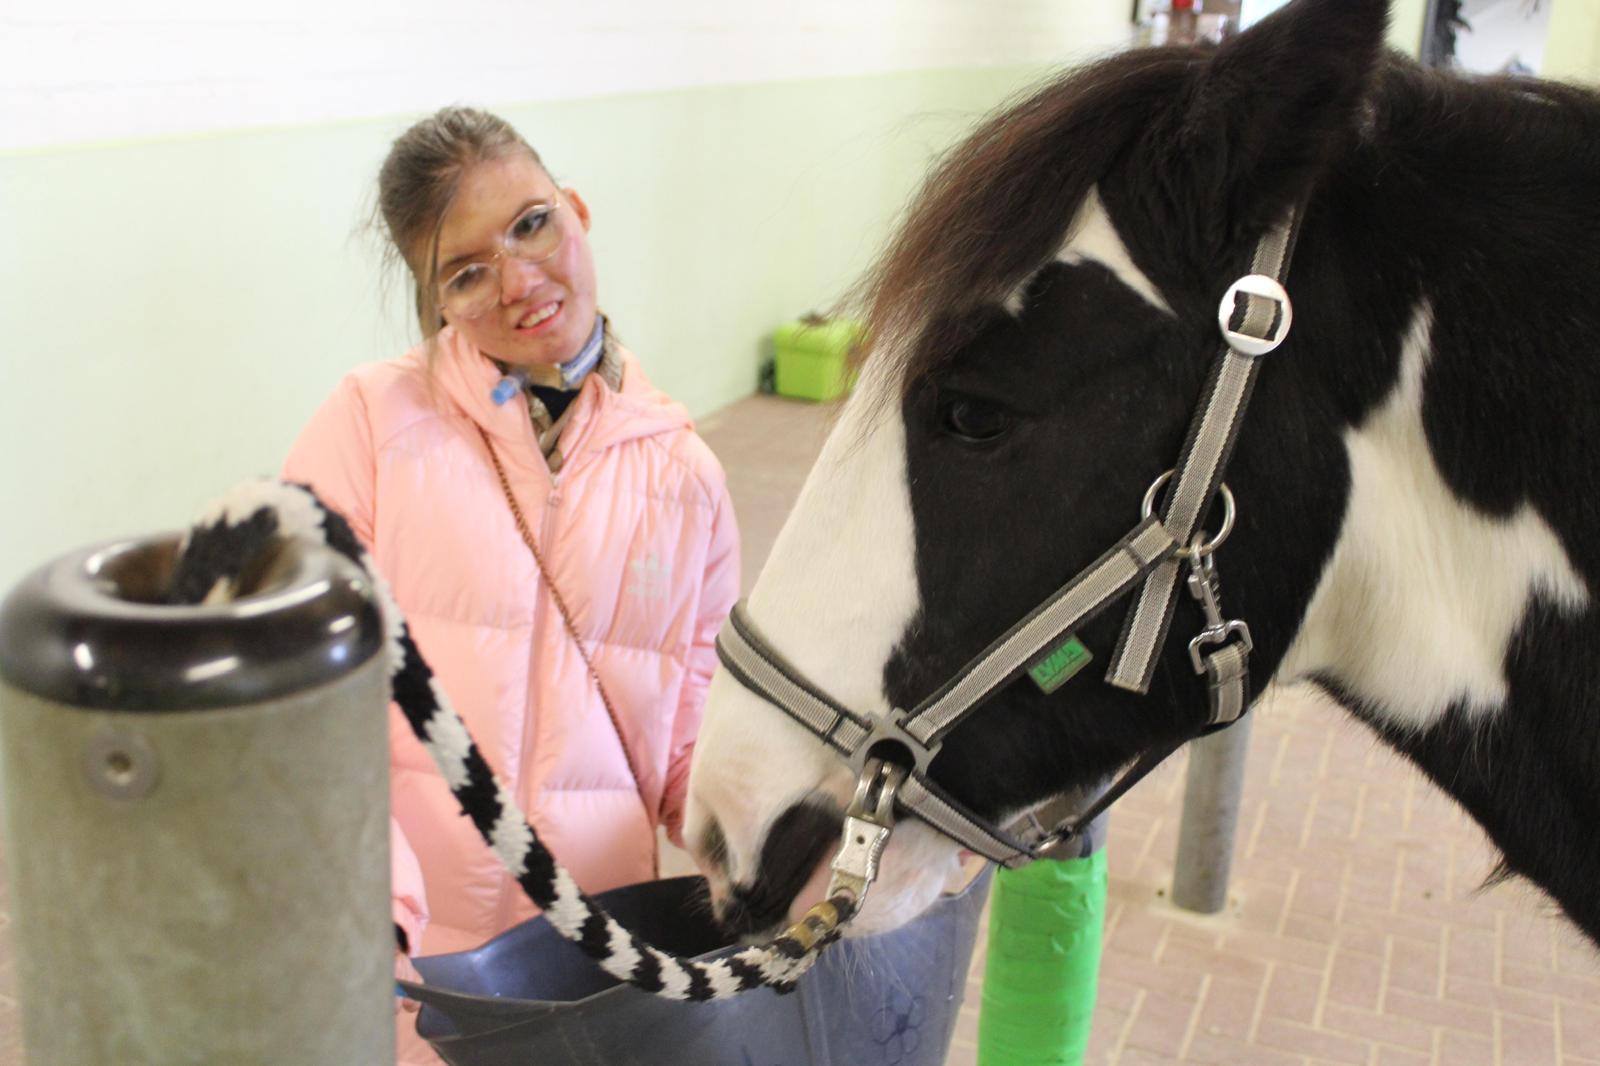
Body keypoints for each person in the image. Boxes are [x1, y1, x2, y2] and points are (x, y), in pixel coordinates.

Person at [282, 106, 740, 1065]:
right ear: (438, 300)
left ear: (575, 209)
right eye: (467, 270)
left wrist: (777, 849)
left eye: (532, 224)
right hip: (414, 967)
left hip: (591, 964)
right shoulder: (370, 427)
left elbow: (691, 725)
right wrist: (380, 916)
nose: (521, 283)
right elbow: (300, 706)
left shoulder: (685, 473)